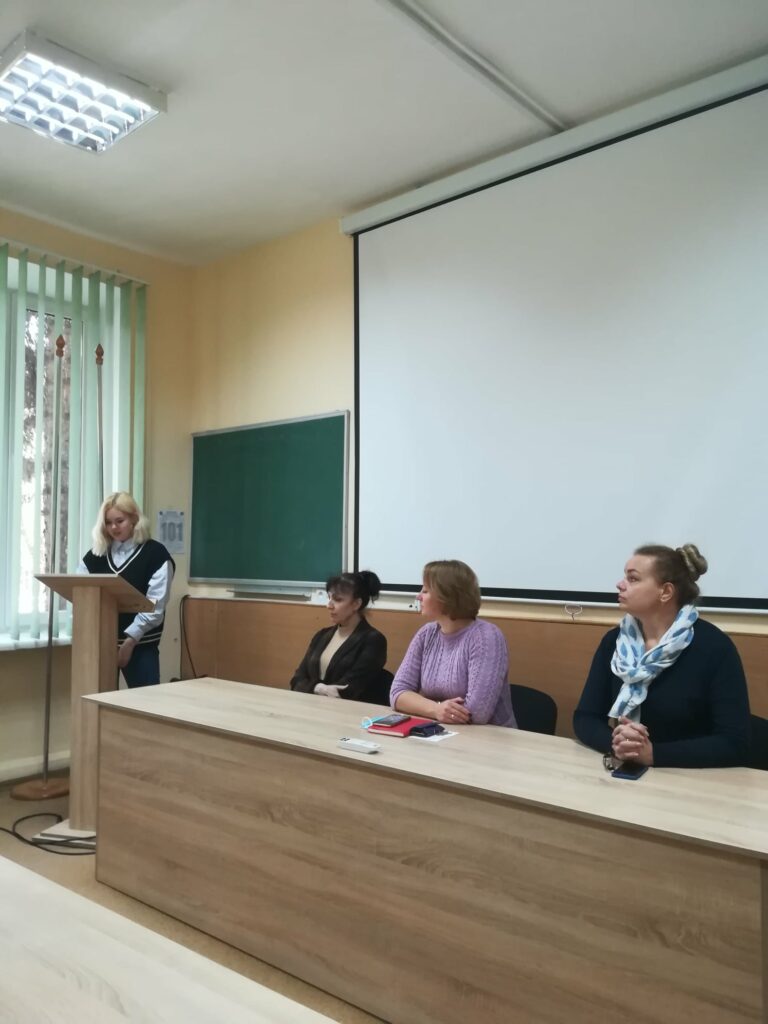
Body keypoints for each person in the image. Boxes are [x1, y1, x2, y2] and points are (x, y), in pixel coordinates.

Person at [573, 544, 751, 768]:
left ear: (666, 592)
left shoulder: (715, 647)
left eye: (633, 579)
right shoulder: (614, 641)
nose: (620, 584)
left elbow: (734, 743)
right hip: (625, 771)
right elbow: (585, 718)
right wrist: (620, 744)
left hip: (690, 778)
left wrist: (653, 754)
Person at [390, 560, 516, 727]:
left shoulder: (486, 637)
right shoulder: (426, 634)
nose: (418, 596)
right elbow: (397, 693)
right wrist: (436, 709)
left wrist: (427, 705)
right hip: (439, 730)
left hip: (488, 736)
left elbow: (477, 713)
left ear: (446, 597)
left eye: (425, 591)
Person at [78, 492, 175, 688]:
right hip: (101, 643)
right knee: (97, 700)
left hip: (141, 646)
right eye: (108, 522)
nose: (114, 527)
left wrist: (130, 641)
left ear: (134, 519)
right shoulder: (96, 555)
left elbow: (155, 607)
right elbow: (81, 593)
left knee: (144, 702)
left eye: (119, 521)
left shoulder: (155, 555)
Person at [289, 570, 388, 701]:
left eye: (338, 599)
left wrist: (311, 688)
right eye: (329, 598)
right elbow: (297, 680)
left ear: (356, 604)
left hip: (348, 710)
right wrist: (318, 688)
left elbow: (347, 690)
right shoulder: (321, 635)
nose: (329, 605)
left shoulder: (373, 640)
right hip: (311, 705)